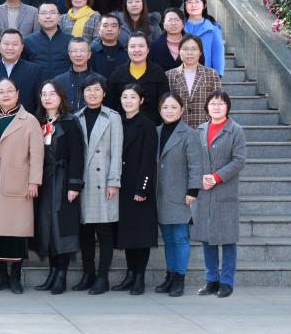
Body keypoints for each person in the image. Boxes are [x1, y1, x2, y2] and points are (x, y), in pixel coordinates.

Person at [0, 78, 44, 294]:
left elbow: (37, 154)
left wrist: (34, 181)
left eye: (9, 91)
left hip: (18, 183)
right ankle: (0, 276)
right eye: (1, 92)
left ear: (17, 93)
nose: (5, 95)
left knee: (16, 233)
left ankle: (15, 277)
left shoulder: (29, 120)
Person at [32, 81, 85, 295]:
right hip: (44, 180)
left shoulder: (70, 122)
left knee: (62, 228)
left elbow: (77, 155)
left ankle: (61, 274)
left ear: (61, 96)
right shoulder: (38, 122)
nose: (47, 98)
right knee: (47, 228)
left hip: (63, 180)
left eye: (51, 94)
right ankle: (52, 272)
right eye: (43, 94)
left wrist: (74, 184)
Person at [72, 75, 123, 295]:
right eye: (88, 90)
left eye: (96, 90)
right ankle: (88, 274)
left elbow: (117, 151)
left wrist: (114, 181)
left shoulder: (113, 117)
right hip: (83, 180)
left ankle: (103, 277)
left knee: (104, 232)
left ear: (104, 93)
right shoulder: (76, 117)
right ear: (82, 93)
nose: (92, 94)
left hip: (104, 182)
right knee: (85, 232)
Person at [193, 91, 247, 298]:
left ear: (227, 107)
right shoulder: (200, 130)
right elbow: (193, 159)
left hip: (225, 191)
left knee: (227, 239)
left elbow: (239, 160)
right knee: (207, 239)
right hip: (204, 192)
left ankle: (226, 281)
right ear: (207, 107)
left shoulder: (236, 131)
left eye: (221, 104)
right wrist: (200, 178)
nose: (216, 107)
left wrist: (216, 177)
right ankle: (211, 280)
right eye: (213, 103)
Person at [110, 84, 159, 296]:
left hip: (139, 187)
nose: (128, 101)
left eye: (133, 97)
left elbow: (148, 161)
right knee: (128, 233)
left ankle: (139, 277)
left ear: (141, 100)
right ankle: (130, 275)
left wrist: (142, 189)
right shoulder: (117, 122)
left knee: (141, 235)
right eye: (125, 97)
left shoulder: (147, 125)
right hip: (121, 185)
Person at [155, 93, 203, 298]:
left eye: (174, 107)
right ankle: (170, 274)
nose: (169, 111)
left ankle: (179, 279)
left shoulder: (190, 134)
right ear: (160, 110)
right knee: (167, 238)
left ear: (182, 110)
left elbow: (196, 164)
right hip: (160, 194)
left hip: (181, 194)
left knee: (180, 237)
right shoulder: (156, 131)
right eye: (165, 107)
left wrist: (193, 190)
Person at [108, 32, 170, 125]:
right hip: (123, 126)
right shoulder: (117, 74)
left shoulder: (158, 72)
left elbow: (164, 102)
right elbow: (111, 105)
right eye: (132, 46)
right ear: (127, 49)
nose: (137, 50)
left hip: (153, 126)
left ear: (148, 49)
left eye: (141, 46)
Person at [166, 34, 223, 129]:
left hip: (205, 129)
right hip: (178, 129)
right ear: (179, 51)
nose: (189, 53)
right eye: (185, 49)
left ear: (200, 52)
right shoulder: (169, 75)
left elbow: (219, 102)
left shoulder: (211, 74)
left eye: (194, 49)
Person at [0, 30, 44, 113]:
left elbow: (39, 101)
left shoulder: (34, 70)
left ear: (22, 47)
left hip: (26, 118)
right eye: (6, 44)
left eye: (15, 44)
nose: (10, 48)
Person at [22, 2, 73, 79]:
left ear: (59, 16)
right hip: (37, 85)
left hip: (63, 85)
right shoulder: (28, 41)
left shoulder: (70, 40)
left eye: (52, 13)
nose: (48, 16)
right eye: (43, 13)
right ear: (38, 17)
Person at [183, 0, 225, 76]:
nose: (193, 5)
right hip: (181, 76)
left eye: (197, 2)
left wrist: (217, 76)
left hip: (204, 76)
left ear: (204, 5)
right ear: (185, 6)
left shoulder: (213, 29)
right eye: (189, 2)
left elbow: (217, 55)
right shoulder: (179, 27)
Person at [52, 38, 94, 113]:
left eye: (82, 51)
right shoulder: (58, 81)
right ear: (69, 54)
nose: (78, 54)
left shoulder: (99, 80)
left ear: (89, 54)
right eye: (74, 51)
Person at [90, 14, 129, 79]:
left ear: (119, 31)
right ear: (98, 30)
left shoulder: (126, 52)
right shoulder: (91, 52)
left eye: (113, 26)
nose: (109, 29)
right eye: (105, 26)